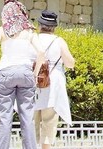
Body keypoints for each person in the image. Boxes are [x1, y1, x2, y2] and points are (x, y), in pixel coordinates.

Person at [0, 0, 45, 149]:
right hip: (25, 73)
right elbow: (41, 53)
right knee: (27, 117)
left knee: (5, 117)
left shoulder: (2, 30)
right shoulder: (29, 31)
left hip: (5, 73)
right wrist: (35, 73)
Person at [32, 11, 75, 149]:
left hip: (33, 83)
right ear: (54, 27)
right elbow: (70, 63)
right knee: (49, 121)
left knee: (32, 120)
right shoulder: (59, 41)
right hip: (52, 84)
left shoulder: (33, 39)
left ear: (40, 25)